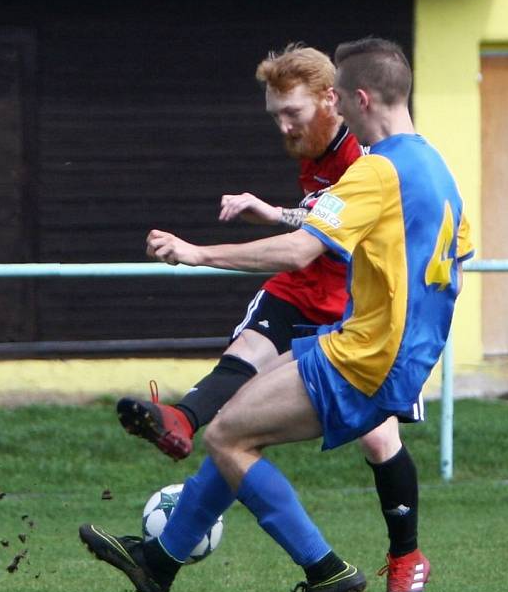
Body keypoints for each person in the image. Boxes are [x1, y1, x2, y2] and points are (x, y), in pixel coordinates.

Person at [81, 37, 474, 592]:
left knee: (226, 437)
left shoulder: (376, 170)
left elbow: (296, 252)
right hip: (392, 350)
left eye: (339, 97)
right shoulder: (437, 168)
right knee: (241, 418)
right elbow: (454, 267)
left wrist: (197, 254)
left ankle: (326, 570)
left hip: (364, 355)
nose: (334, 107)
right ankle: (159, 561)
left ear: (359, 98)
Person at [116, 43, 361, 460]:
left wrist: (198, 254)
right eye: (275, 116)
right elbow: (325, 216)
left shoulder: (363, 154)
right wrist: (275, 213)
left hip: (357, 303)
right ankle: (181, 420)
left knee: (378, 439)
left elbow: (312, 242)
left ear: (329, 99)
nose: (284, 127)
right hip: (307, 287)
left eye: (293, 113)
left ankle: (407, 529)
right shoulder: (315, 146)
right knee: (237, 403)